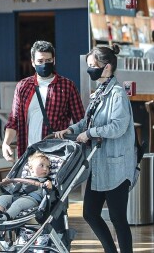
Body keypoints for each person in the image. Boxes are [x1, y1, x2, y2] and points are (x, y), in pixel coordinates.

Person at [55, 44, 135, 253]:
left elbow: (119, 126)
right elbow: (87, 120)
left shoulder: (117, 94)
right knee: (90, 213)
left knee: (118, 219)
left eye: (93, 66)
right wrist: (71, 129)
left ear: (106, 67)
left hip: (116, 166)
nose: (90, 70)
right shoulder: (100, 91)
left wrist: (90, 134)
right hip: (100, 165)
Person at [2, 40, 85, 161]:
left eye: (48, 60)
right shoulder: (23, 86)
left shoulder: (67, 86)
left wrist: (70, 132)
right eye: (40, 61)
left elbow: (81, 121)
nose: (44, 64)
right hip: (29, 152)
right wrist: (6, 143)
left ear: (54, 60)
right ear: (33, 62)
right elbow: (14, 120)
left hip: (56, 152)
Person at [0, 151, 52, 221]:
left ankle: (7, 216)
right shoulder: (23, 179)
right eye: (42, 165)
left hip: (32, 200)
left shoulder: (45, 181)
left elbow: (48, 194)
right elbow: (14, 191)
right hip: (18, 196)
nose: (46, 169)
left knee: (19, 203)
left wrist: (49, 187)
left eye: (48, 167)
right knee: (2, 198)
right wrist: (8, 184)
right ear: (31, 168)